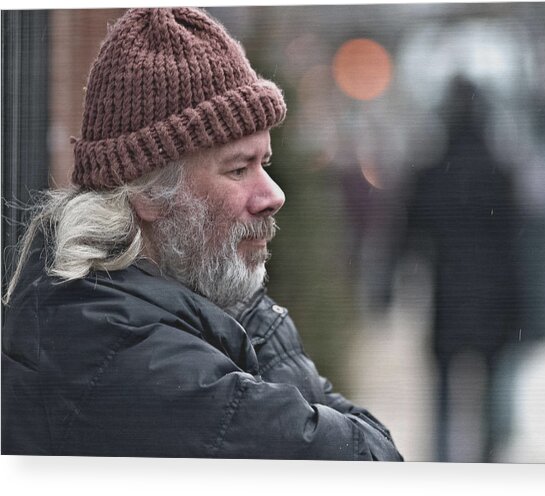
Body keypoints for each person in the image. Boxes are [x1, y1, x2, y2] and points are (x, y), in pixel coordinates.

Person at [1, 7, 402, 461]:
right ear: (149, 192)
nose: (273, 194)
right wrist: (256, 317)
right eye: (238, 168)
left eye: (264, 163)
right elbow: (372, 460)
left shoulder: (111, 318)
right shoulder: (144, 366)